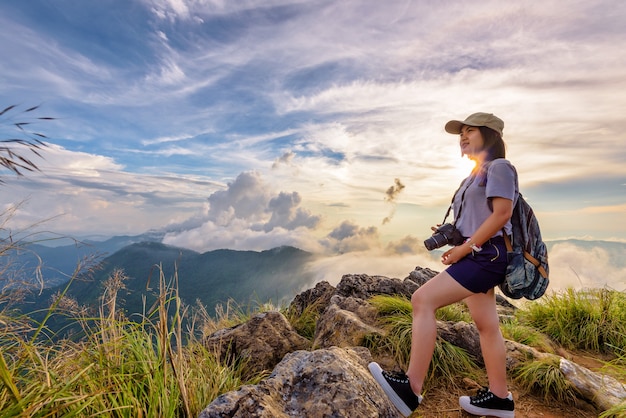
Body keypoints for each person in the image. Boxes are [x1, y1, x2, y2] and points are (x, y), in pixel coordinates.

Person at [369, 112, 517, 418]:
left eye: (470, 131)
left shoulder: (500, 167)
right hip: (481, 253)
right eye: (461, 133)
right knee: (487, 326)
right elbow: (480, 218)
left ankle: (410, 389)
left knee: (422, 300)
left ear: (489, 135)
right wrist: (454, 234)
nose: (463, 137)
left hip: (487, 257)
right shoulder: (475, 175)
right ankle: (500, 400)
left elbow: (502, 214)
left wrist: (465, 247)